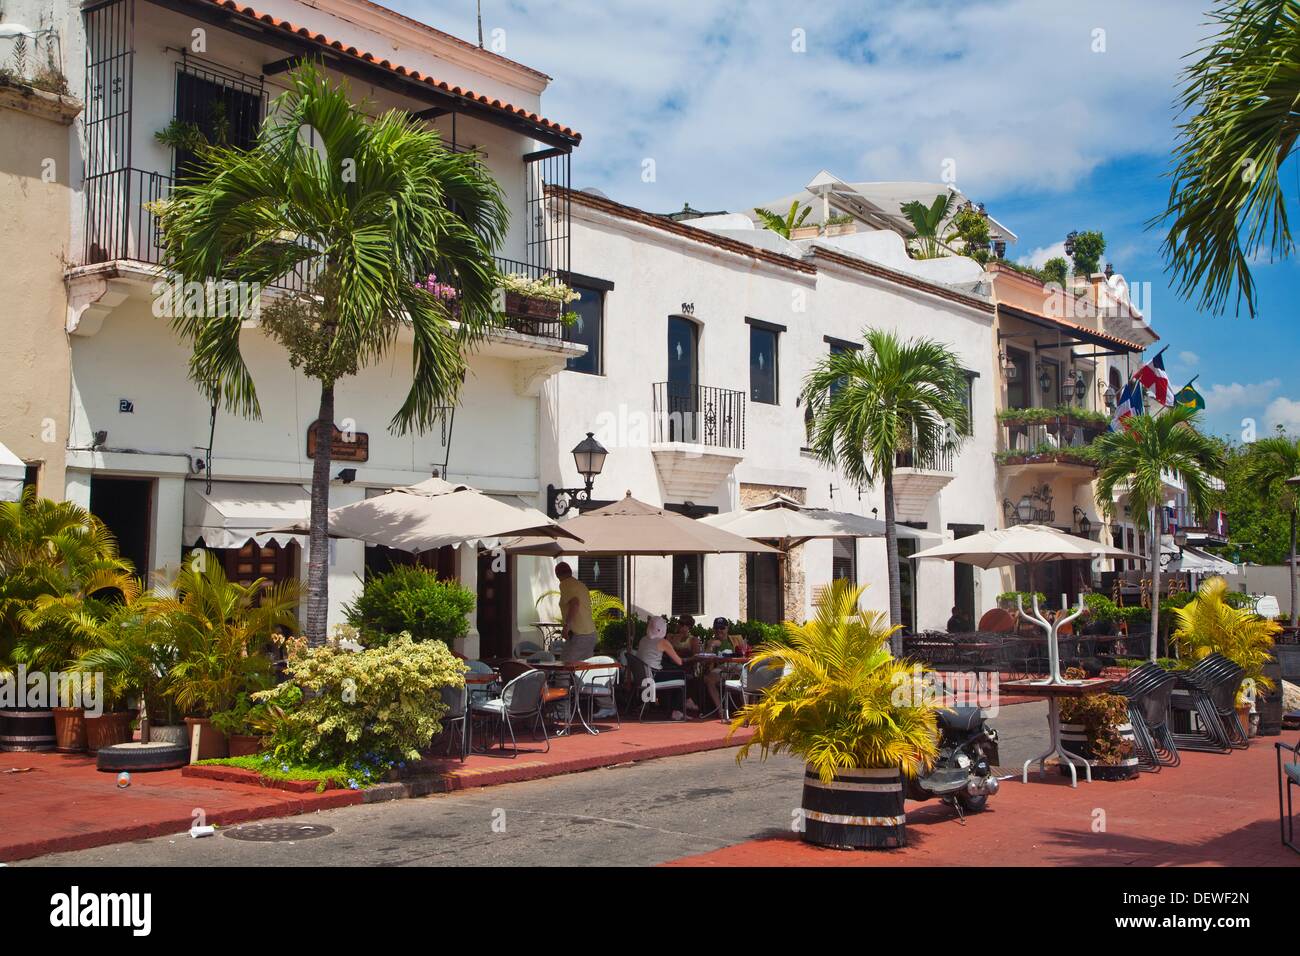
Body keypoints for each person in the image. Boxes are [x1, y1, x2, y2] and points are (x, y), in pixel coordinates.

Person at [636, 615, 697, 719]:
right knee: (682, 675)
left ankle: (672, 704)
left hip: (641, 676)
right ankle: (677, 709)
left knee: (672, 672)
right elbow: (679, 661)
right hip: (653, 677)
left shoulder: (643, 639)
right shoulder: (663, 642)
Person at [555, 561, 598, 662]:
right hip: (591, 633)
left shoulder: (565, 583)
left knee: (564, 669)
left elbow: (575, 604)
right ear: (570, 571)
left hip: (579, 634)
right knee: (583, 670)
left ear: (557, 574)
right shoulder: (580, 585)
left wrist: (566, 626)